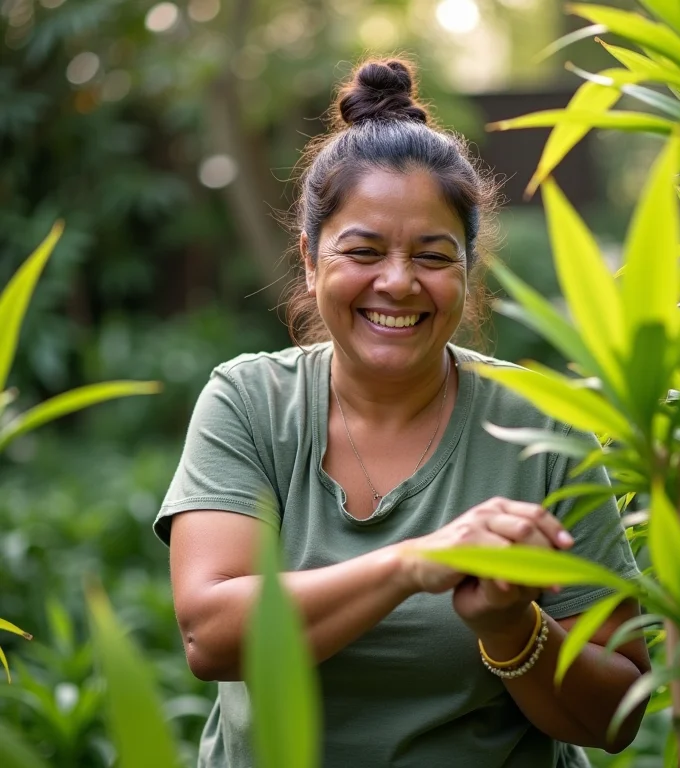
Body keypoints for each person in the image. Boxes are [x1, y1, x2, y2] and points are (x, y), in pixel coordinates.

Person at [155, 57, 649, 768]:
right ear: (310, 258)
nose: (397, 281)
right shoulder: (249, 402)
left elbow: (618, 717)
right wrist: (418, 563)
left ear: (467, 270)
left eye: (432, 255)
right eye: (363, 250)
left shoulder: (542, 423)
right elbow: (212, 636)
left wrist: (515, 630)